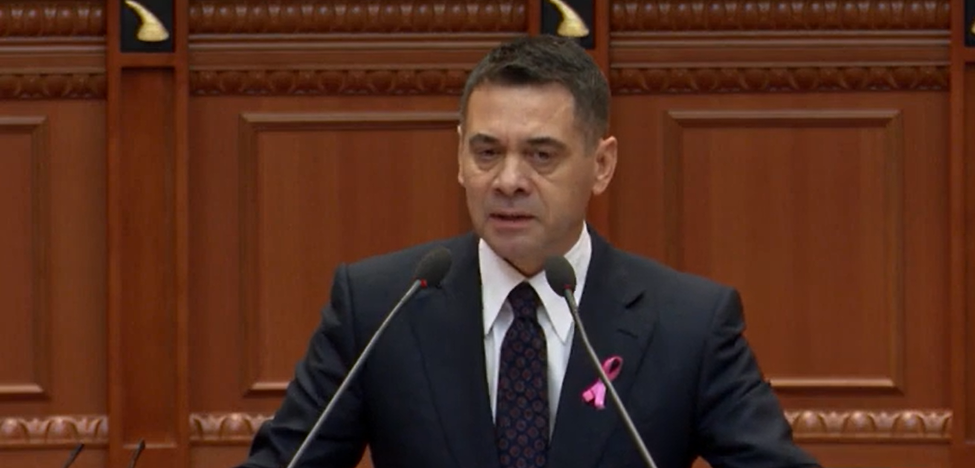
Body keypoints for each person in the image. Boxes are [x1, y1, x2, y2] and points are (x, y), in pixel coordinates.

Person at [235, 34, 822, 468]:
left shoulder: (688, 325)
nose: (508, 181)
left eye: (542, 155)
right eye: (487, 152)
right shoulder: (380, 307)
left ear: (602, 165)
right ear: (459, 156)